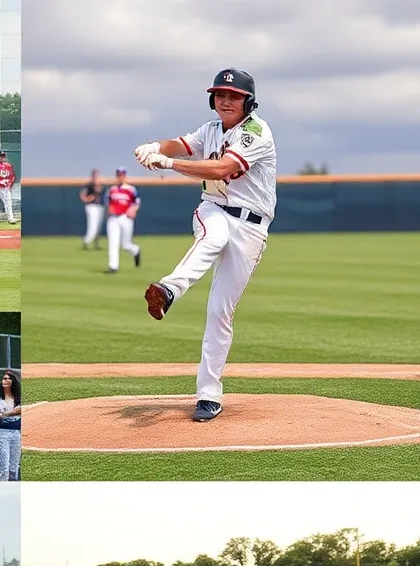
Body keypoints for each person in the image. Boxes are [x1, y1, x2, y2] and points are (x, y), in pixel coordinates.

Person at [135, 68, 276, 422]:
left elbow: (221, 169)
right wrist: (156, 146)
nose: (226, 101)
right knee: (214, 236)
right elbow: (181, 144)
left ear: (249, 101)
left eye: (234, 96)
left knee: (219, 313)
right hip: (214, 209)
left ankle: (209, 395)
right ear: (212, 99)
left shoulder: (256, 132)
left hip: (251, 226)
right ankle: (168, 290)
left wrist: (168, 163)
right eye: (220, 95)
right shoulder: (210, 129)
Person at [104, 167, 142, 274]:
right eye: (118, 175)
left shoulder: (131, 189)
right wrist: (109, 210)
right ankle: (113, 266)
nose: (120, 177)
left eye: (122, 175)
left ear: (125, 176)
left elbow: (137, 202)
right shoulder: (111, 190)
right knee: (113, 242)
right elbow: (108, 203)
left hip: (125, 218)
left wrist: (133, 210)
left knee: (125, 245)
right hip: (113, 218)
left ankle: (136, 251)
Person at [0, 369, 22, 481]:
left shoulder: (18, 396)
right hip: (1, 432)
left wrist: (6, 414)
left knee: (14, 466)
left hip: (16, 432)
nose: (7, 381)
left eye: (9, 378)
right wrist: (10, 413)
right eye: (4, 378)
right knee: (4, 466)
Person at [80, 169, 105, 249]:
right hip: (92, 207)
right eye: (95, 175)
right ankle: (86, 242)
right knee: (93, 226)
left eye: (97, 175)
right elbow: (83, 195)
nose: (96, 176)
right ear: (92, 175)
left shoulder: (100, 185)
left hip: (100, 206)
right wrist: (87, 199)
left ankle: (96, 244)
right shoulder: (89, 185)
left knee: (98, 227)